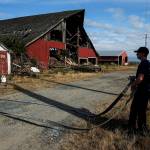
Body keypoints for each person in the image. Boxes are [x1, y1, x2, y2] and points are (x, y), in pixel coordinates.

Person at [128, 47, 150, 135]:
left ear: (143, 54)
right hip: (145, 90)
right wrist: (134, 78)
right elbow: (144, 77)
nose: (137, 54)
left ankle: (141, 129)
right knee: (136, 109)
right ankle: (132, 126)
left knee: (139, 110)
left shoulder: (143, 63)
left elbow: (141, 78)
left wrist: (133, 84)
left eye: (138, 53)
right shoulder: (147, 63)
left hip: (142, 91)